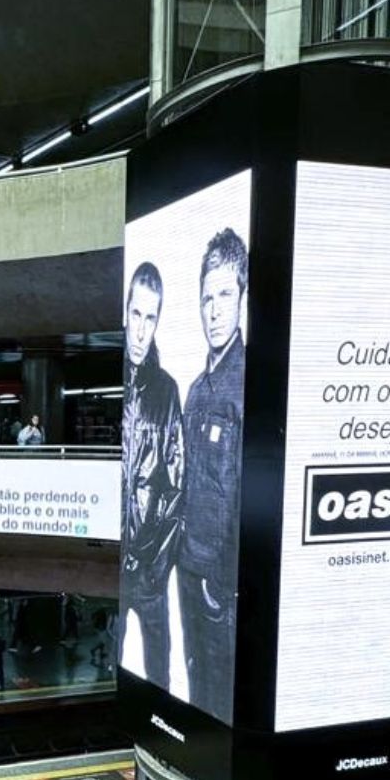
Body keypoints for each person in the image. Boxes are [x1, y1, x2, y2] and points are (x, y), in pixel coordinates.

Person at [178, 230, 248, 716]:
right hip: (188, 566)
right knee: (196, 681)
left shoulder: (249, 388)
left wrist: (224, 584)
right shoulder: (196, 391)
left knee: (222, 695)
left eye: (226, 295)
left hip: (219, 583)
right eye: (207, 298)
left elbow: (246, 495)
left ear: (243, 297)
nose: (215, 310)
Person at [120, 265, 189, 683]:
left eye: (151, 318)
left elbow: (176, 488)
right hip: (108, 562)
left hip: (146, 569)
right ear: (125, 311)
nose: (142, 330)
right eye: (136, 315)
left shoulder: (166, 391)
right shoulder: (111, 383)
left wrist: (151, 563)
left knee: (158, 670)